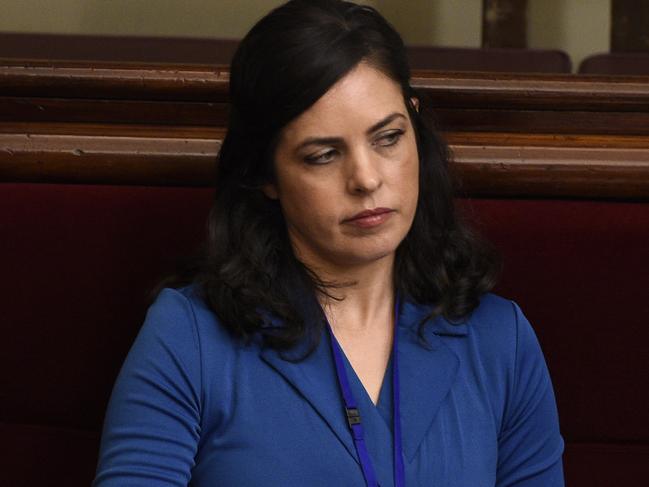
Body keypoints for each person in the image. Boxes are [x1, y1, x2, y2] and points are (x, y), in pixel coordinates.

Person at [93, 0, 564, 485]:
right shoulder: (188, 336)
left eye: (388, 138)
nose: (365, 179)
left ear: (415, 128)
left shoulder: (500, 339)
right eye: (323, 155)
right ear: (265, 173)